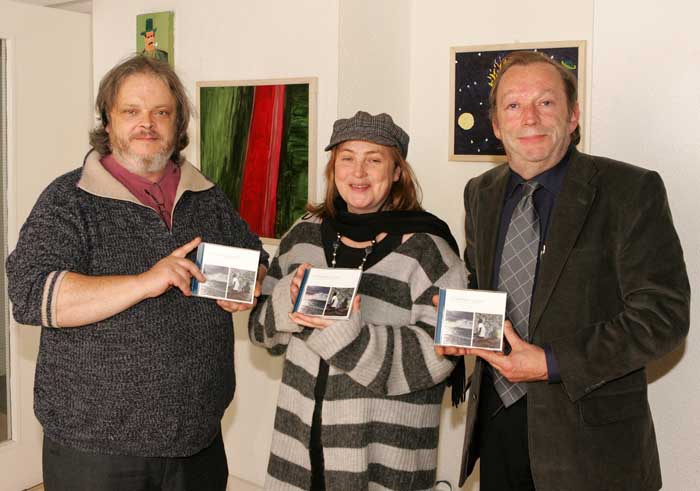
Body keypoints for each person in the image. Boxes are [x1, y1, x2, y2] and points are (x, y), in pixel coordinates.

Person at [6, 55, 268, 490]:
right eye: (131, 111)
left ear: (178, 123)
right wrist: (146, 282)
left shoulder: (206, 196)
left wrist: (249, 286)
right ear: (107, 122)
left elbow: (255, 262)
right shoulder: (68, 199)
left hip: (198, 437)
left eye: (161, 112)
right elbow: (31, 294)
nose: (146, 124)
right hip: (96, 448)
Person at [438, 51, 690, 491]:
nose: (529, 118)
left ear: (573, 116)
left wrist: (552, 362)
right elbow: (484, 285)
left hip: (592, 449)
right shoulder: (480, 192)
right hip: (497, 429)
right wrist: (459, 327)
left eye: (546, 103)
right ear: (496, 125)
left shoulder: (630, 191)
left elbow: (662, 318)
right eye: (513, 105)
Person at [249, 111, 468, 490]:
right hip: (300, 450)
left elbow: (441, 356)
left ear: (397, 171)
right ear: (334, 167)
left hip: (382, 456)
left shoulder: (430, 250)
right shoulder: (304, 235)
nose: (358, 172)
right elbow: (260, 330)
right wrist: (287, 303)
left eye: (374, 159)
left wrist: (344, 336)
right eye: (347, 157)